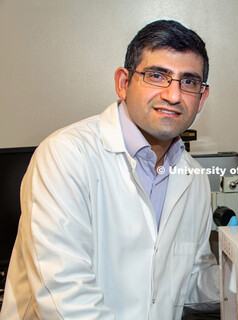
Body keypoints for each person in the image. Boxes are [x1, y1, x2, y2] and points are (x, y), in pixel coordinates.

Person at [0, 20, 219, 320]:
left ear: (202, 98)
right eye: (157, 76)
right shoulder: (66, 155)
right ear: (123, 82)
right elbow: (64, 299)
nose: (173, 95)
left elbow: (188, 282)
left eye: (189, 82)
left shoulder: (193, 178)